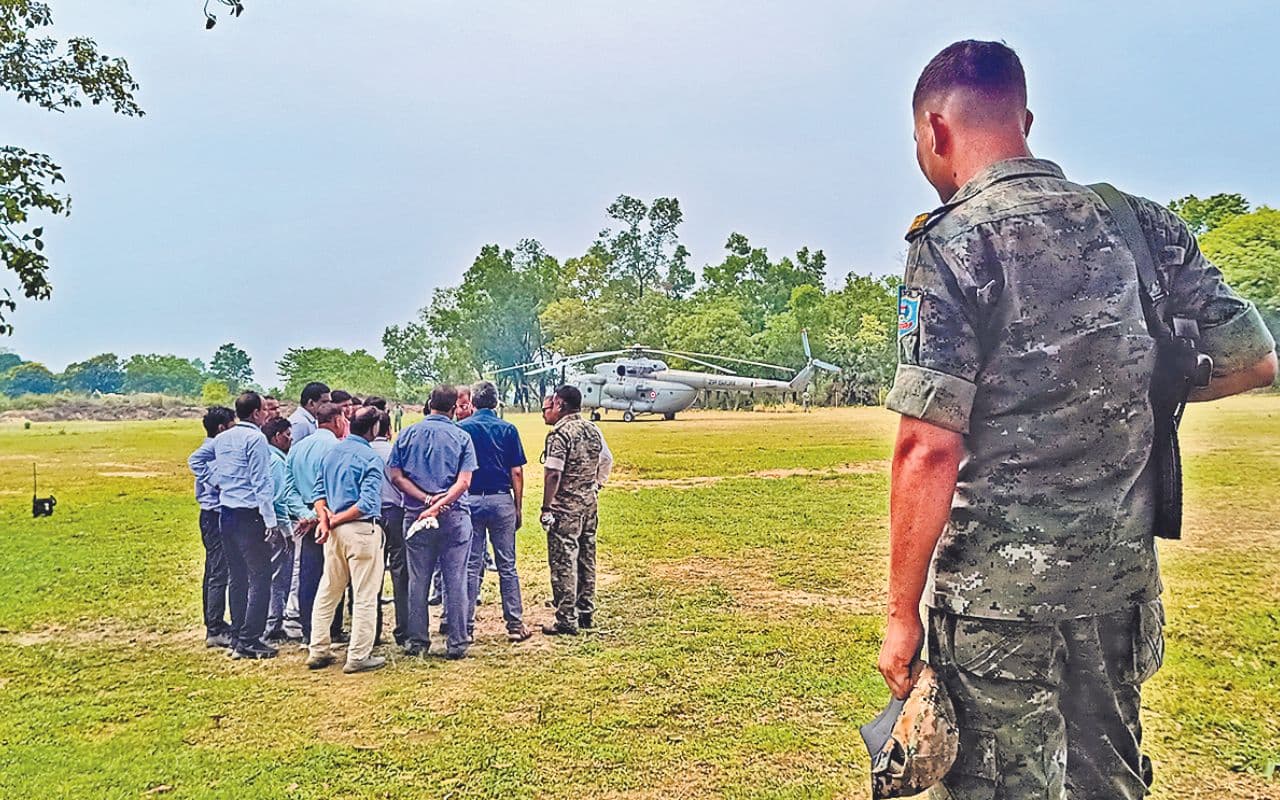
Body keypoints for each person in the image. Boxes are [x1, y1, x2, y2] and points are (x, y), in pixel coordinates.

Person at [877, 40, 1279, 800]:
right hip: (1119, 590)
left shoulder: (955, 240)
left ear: (935, 129)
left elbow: (927, 445)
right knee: (1112, 783)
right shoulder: (1142, 225)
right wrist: (1135, 389)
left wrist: (901, 618)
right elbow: (1253, 358)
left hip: (999, 608)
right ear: (1024, 118)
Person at [389, 385, 478, 659]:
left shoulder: (406, 434)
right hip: (454, 517)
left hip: (415, 514)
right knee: (456, 579)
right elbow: (463, 483)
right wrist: (439, 505)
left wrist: (426, 501)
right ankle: (458, 641)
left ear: (429, 403)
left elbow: (396, 476)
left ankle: (417, 641)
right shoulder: (461, 436)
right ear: (454, 409)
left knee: (418, 580)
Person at [307, 407, 388, 674]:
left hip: (334, 532)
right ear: (374, 428)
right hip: (360, 531)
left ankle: (318, 648)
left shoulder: (332, 453)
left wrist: (324, 518)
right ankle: (358, 655)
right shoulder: (370, 458)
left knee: (329, 590)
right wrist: (336, 519)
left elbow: (318, 491)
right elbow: (366, 503)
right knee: (365, 594)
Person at [459, 380, 532, 642]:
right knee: (507, 565)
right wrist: (518, 506)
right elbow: (516, 471)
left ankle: (465, 627)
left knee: (471, 565)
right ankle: (514, 624)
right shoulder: (508, 429)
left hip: (470, 500)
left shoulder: (462, 429)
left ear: (473, 402)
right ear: (496, 402)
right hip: (501, 499)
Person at [540, 385, 614, 635]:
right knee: (586, 558)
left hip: (565, 507)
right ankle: (585, 612)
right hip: (589, 504)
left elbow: (553, 473)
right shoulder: (593, 430)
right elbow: (605, 459)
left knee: (564, 561)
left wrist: (546, 507)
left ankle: (566, 619)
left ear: (560, 404)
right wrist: (595, 485)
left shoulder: (560, 434)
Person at [211, 391, 279, 659]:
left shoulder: (222, 438)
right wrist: (270, 521)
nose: (267, 414)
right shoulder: (256, 438)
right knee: (260, 576)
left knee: (236, 576)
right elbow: (261, 481)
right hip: (250, 513)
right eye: (264, 410)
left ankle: (238, 632)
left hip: (227, 511)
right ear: (255, 413)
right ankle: (251, 638)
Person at [285, 401, 348, 644]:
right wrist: (323, 517)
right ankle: (331, 629)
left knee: (309, 575)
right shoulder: (337, 449)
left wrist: (307, 515)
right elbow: (338, 488)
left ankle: (308, 631)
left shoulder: (297, 449)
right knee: (335, 576)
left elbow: (288, 488)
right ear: (337, 420)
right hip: (332, 520)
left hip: (307, 522)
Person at [263, 417, 314, 642]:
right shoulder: (277, 462)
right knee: (279, 575)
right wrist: (285, 529)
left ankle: (274, 619)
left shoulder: (266, 455)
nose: (290, 439)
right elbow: (279, 498)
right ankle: (274, 623)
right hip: (280, 523)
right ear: (277, 437)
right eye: (287, 435)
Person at [188, 406, 236, 648]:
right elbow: (194, 461)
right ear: (221, 428)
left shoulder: (216, 448)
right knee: (219, 571)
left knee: (214, 570)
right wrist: (217, 482)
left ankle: (214, 621)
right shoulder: (214, 447)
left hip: (210, 514)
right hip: (215, 514)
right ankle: (215, 628)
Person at [369, 410, 408, 646]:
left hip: (370, 515)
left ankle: (371, 631)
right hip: (395, 512)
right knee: (400, 572)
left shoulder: (363, 453)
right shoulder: (395, 451)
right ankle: (403, 629)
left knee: (370, 575)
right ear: (388, 430)